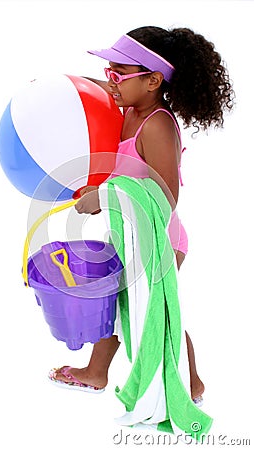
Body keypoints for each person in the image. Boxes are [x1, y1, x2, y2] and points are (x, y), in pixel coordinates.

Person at [49, 26, 234, 404]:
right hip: (129, 231)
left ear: (152, 80)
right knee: (115, 300)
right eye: (108, 71)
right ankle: (97, 371)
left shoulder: (158, 125)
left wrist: (105, 197)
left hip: (159, 237)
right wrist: (52, 91)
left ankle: (192, 383)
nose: (110, 81)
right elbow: (97, 95)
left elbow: (166, 197)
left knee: (157, 312)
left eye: (119, 73)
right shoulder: (131, 109)